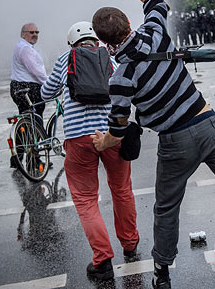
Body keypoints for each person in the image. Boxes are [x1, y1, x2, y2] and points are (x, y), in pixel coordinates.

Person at [90, 0, 215, 289]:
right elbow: (156, 2)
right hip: (209, 125)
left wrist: (102, 141)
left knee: (166, 208)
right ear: (130, 24)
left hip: (174, 142)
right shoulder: (155, 32)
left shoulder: (120, 77)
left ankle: (162, 272)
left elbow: (118, 130)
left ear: (103, 42)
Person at [40, 21, 140, 281]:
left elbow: (47, 91)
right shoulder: (109, 57)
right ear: (96, 40)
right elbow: (124, 85)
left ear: (72, 42)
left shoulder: (65, 59)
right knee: (122, 190)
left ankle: (103, 260)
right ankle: (130, 245)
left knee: (85, 199)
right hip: (110, 134)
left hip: (78, 138)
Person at [10, 22, 48, 168]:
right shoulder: (25, 49)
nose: (35, 35)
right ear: (23, 34)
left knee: (25, 122)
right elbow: (35, 71)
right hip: (28, 88)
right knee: (35, 123)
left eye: (37, 32)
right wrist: (49, 82)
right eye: (31, 32)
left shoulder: (22, 47)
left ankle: (17, 158)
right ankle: (34, 160)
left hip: (19, 87)